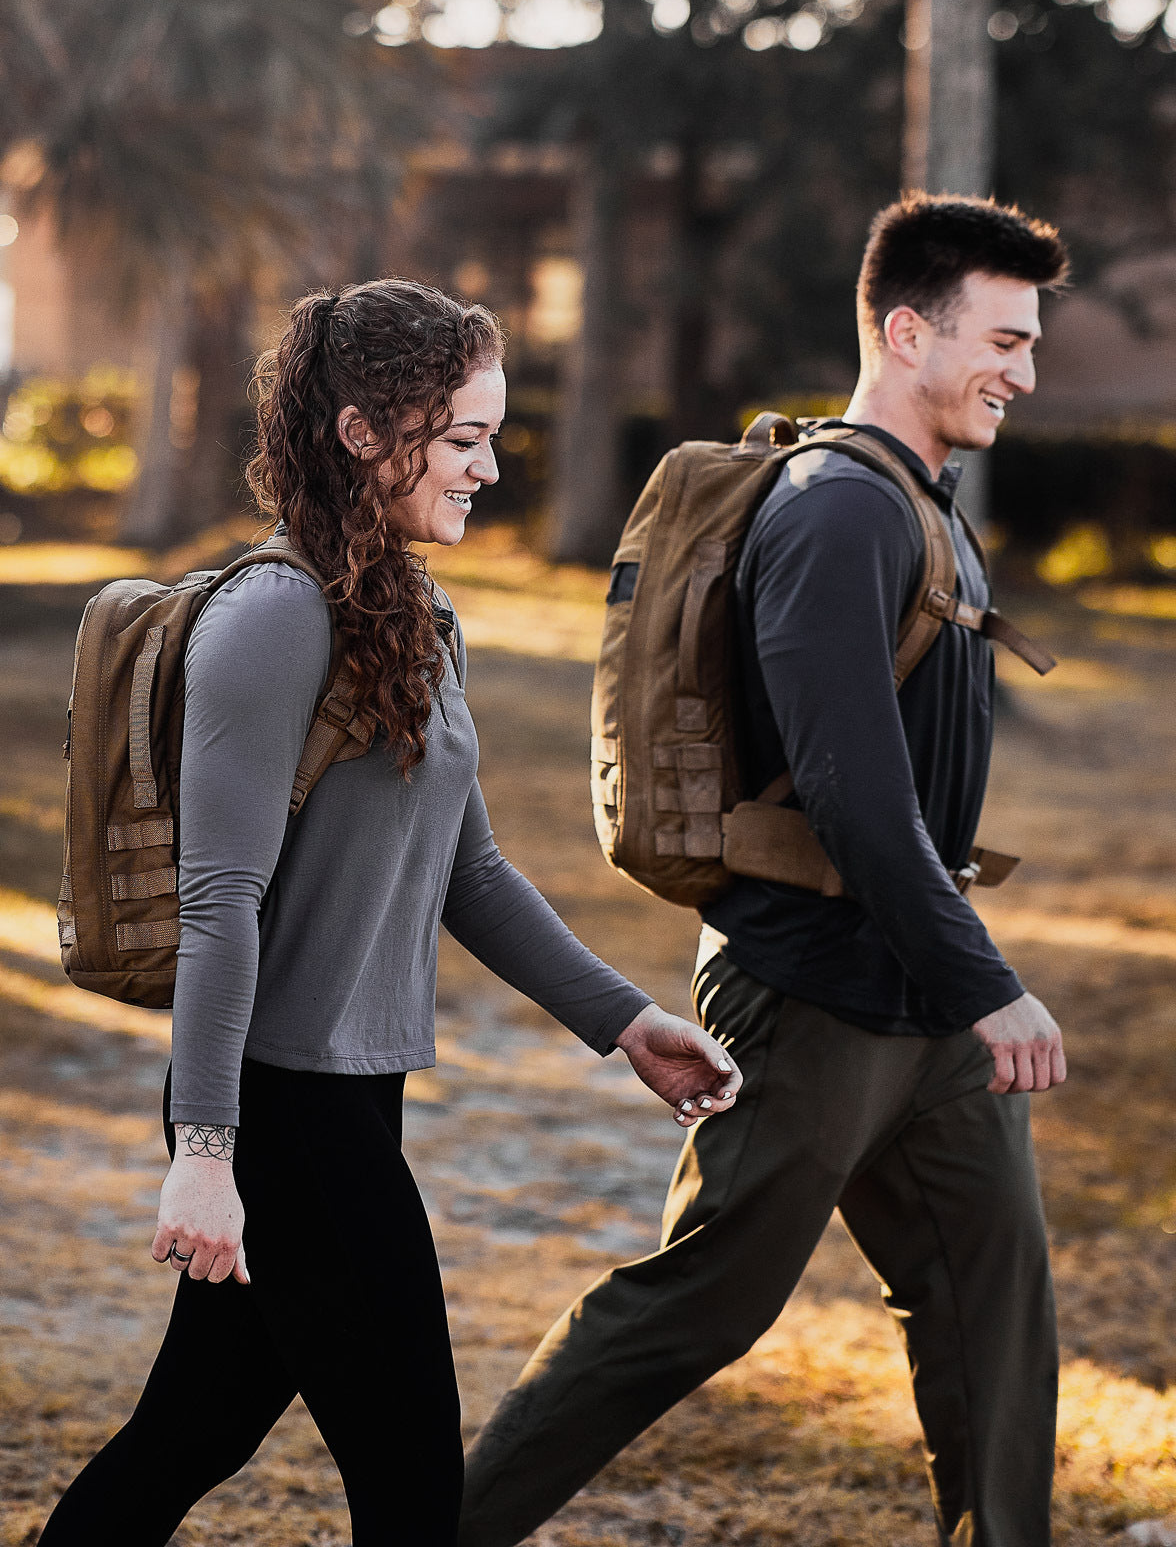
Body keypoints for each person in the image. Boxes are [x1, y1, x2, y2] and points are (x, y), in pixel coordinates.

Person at [37, 278, 742, 1547]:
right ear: (364, 433)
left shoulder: (414, 611)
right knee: (414, 1487)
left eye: (490, 436)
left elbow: (470, 871)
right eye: (462, 438)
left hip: (352, 1091)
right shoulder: (273, 616)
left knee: (192, 1430)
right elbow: (219, 902)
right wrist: (204, 1150)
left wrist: (626, 1022)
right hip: (281, 1110)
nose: (487, 467)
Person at [457, 194, 1071, 1547]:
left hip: (923, 1008)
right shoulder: (837, 510)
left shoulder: (922, 501)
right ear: (907, 333)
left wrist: (957, 987)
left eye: (1034, 344)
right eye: (1006, 340)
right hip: (811, 996)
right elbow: (852, 793)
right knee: (696, 1308)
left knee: (997, 1316)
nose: (1026, 373)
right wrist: (991, 983)